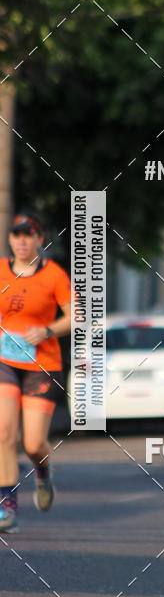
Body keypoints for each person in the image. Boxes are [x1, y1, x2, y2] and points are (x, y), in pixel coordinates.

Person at [0, 212, 72, 533]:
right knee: (3, 433)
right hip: (4, 362)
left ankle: (42, 472)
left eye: (29, 235)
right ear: (10, 239)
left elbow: (75, 316)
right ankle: (7, 507)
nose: (22, 241)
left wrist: (47, 330)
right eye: (17, 234)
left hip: (42, 365)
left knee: (32, 444)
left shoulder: (54, 275)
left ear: (39, 239)